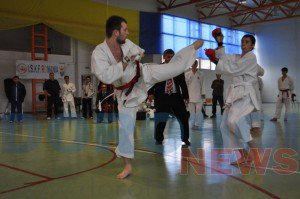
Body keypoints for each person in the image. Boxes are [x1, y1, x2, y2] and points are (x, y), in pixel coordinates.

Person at [91, 15, 204, 179]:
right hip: (126, 94)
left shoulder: (126, 43)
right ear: (116, 32)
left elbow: (140, 51)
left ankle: (192, 48)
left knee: (174, 68)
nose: (128, 33)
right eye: (125, 30)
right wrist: (126, 60)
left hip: (144, 74)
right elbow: (106, 76)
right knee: (126, 129)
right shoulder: (99, 53)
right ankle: (128, 166)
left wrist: (135, 56)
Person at [206, 30, 261, 164]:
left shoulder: (251, 57)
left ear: (252, 45)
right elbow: (224, 57)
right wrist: (219, 42)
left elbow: (233, 68)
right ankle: (244, 154)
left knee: (234, 120)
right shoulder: (237, 57)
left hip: (245, 93)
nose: (243, 44)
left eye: (247, 42)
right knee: (224, 125)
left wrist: (216, 59)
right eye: (242, 41)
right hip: (234, 94)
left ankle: (255, 152)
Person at [148, 49, 190, 145]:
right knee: (161, 119)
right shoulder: (158, 68)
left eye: (172, 57)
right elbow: (152, 81)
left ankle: (185, 138)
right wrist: (150, 93)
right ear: (164, 57)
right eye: (168, 57)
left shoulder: (178, 69)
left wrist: (186, 96)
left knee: (183, 117)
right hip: (162, 97)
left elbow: (183, 84)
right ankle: (159, 139)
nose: (170, 59)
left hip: (176, 97)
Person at [185, 60, 206, 130]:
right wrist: (185, 96)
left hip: (199, 95)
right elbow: (185, 85)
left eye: (195, 63)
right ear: (191, 64)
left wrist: (203, 93)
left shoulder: (201, 73)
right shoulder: (187, 74)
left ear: (197, 64)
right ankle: (192, 124)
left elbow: (203, 84)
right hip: (190, 95)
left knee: (198, 111)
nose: (194, 65)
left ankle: (197, 124)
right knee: (192, 112)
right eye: (193, 63)